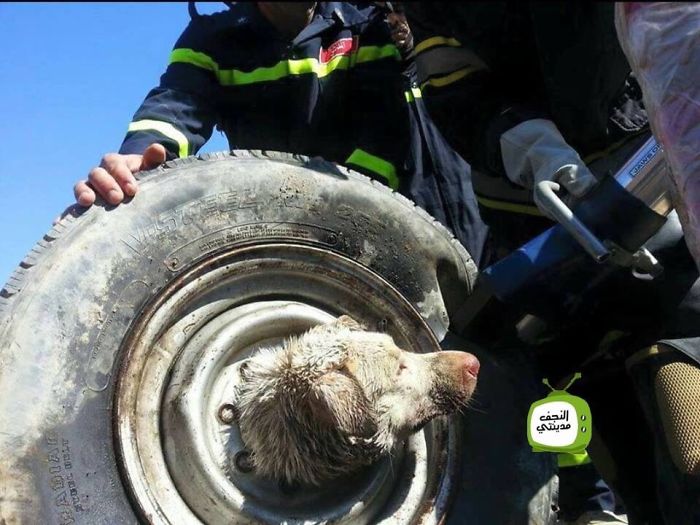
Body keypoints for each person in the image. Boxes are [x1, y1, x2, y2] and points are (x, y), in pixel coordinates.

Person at [404, 2, 700, 524]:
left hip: (656, 182)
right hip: (541, 229)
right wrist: (530, 145)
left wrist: (673, 147)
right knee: (624, 445)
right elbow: (454, 84)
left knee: (686, 420)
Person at [72, 1, 489, 268]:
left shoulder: (367, 24)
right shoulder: (213, 39)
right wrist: (139, 159)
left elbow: (384, 131)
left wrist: (337, 220)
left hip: (401, 235)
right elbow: (178, 103)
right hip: (293, 244)